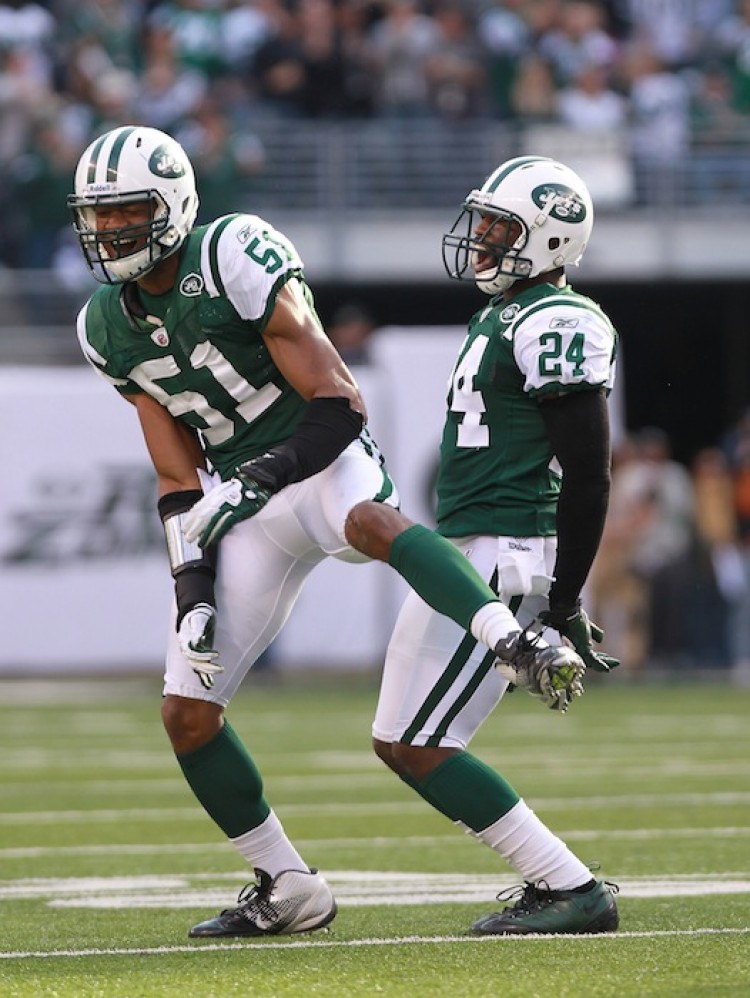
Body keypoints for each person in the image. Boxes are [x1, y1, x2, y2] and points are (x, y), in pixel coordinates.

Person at [67, 126, 587, 940]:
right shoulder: (104, 326)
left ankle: (507, 638)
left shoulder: (233, 253)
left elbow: (341, 400)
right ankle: (288, 883)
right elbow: (176, 480)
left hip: (314, 459)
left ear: (171, 206)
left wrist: (260, 475)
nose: (110, 233)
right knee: (186, 714)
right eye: (97, 217)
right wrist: (191, 589)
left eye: (126, 211)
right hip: (242, 507)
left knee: (369, 521)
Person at [371, 154, 621, 935]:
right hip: (473, 545)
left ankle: (571, 888)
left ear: (549, 241)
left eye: (501, 229)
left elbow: (588, 473)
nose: (482, 241)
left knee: (419, 743)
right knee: (401, 740)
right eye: (483, 223)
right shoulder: (507, 313)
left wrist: (564, 597)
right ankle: (564, 885)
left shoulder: (559, 319)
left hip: (505, 550)